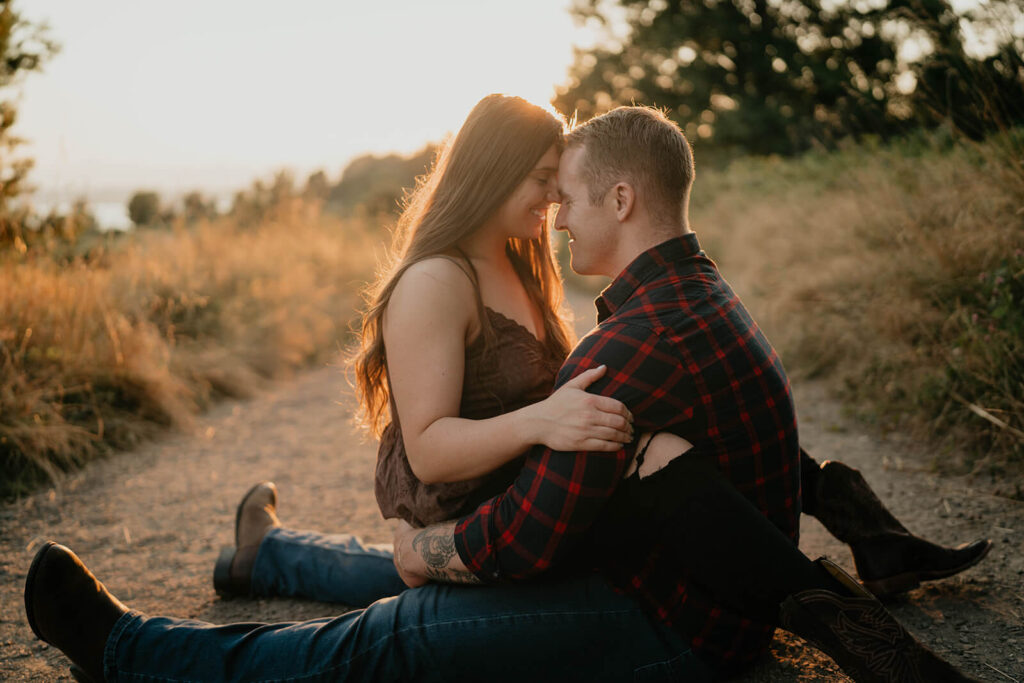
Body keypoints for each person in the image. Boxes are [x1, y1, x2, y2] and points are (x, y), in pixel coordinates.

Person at [24, 100, 983, 682]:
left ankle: (130, 652)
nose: (555, 210)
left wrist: (431, 552)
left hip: (672, 618)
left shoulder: (635, 330)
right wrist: (439, 536)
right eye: (539, 185)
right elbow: (486, 471)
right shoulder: (694, 287)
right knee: (400, 581)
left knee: (391, 633)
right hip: (648, 574)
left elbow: (524, 538)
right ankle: (261, 559)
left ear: (620, 199)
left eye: (562, 190)